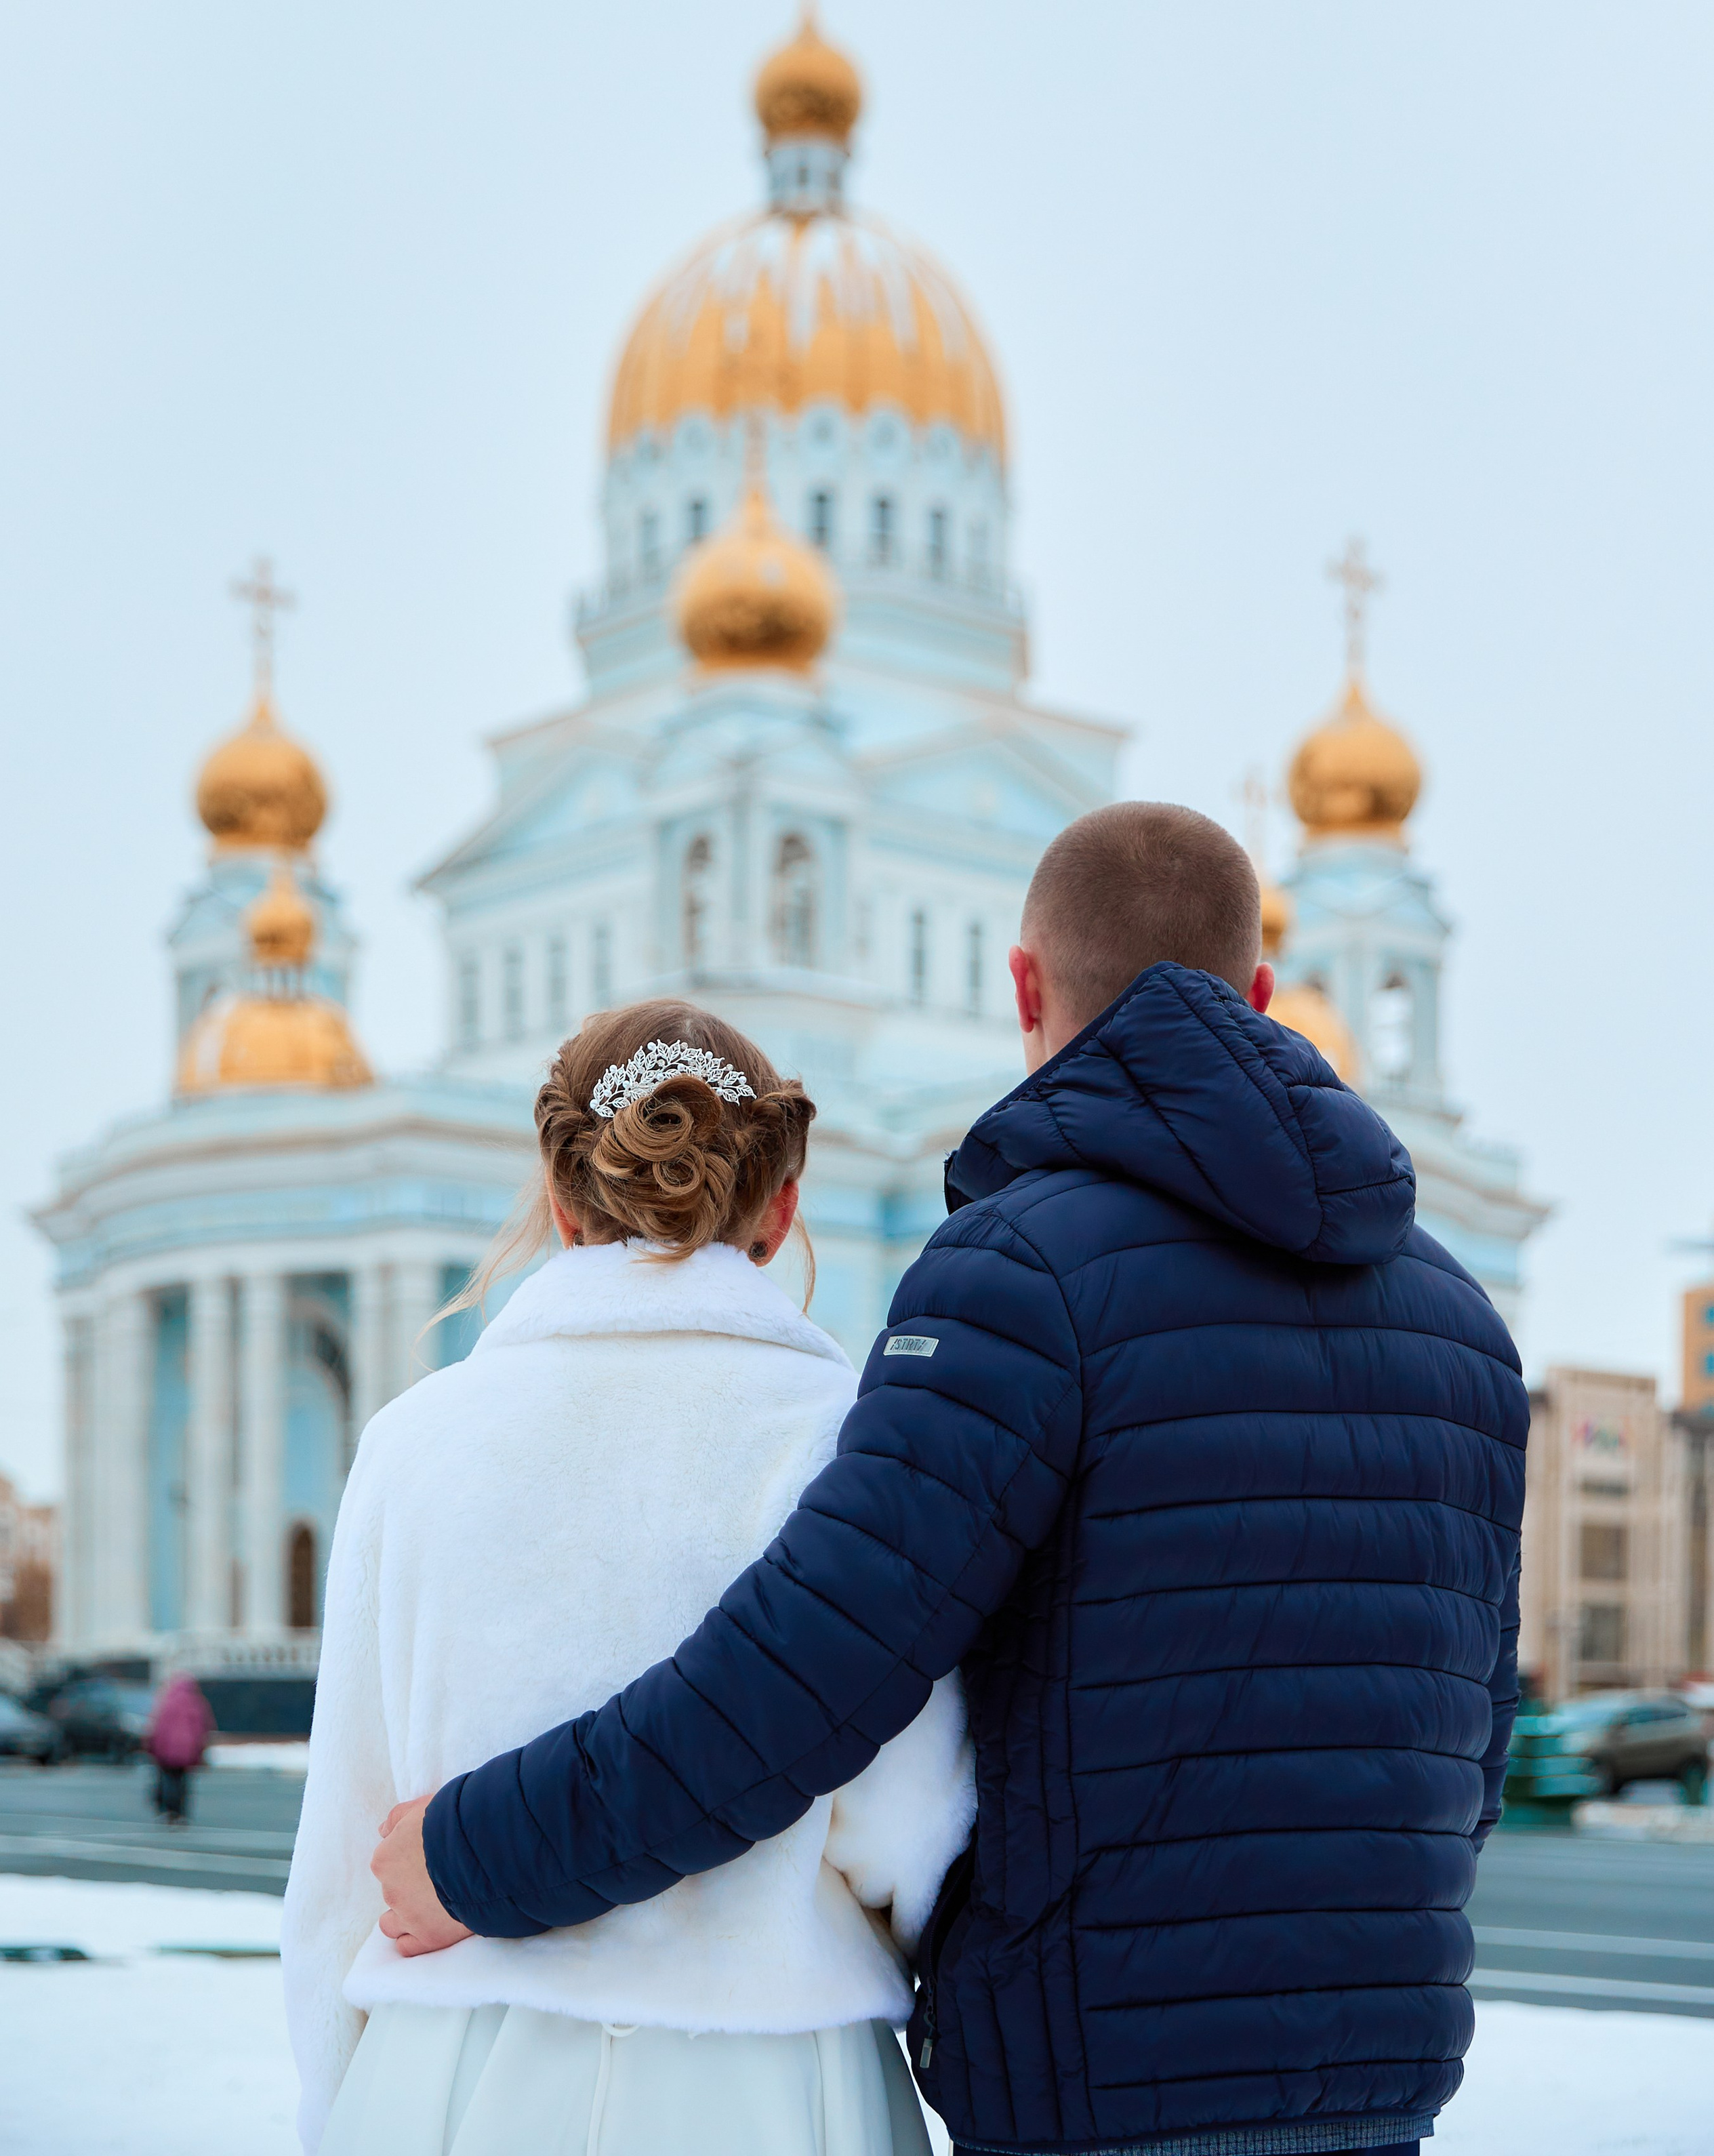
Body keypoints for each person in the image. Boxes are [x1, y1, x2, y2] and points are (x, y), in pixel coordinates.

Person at [376, 801, 1528, 2156]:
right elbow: (1467, 1738)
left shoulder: (1020, 1269)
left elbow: (806, 1673)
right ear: (1260, 995)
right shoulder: (1458, 1323)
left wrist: (475, 1855)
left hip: (1093, 2083)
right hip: (1376, 2082)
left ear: (1022, 987)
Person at [281, 1000, 975, 2156]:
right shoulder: (851, 1444)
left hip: (450, 2072)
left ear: (560, 1204)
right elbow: (905, 1826)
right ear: (784, 1204)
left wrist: (339, 2100)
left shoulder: (415, 1443)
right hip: (779, 2081)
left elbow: (343, 1857)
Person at [145, 1671, 213, 1825]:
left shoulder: (167, 1702)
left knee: (169, 1779)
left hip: (167, 1750)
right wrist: (200, 1748)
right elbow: (203, 1728)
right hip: (188, 1751)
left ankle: (170, 1810)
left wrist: (153, 1747)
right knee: (183, 1781)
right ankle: (181, 1811)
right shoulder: (197, 1703)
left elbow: (159, 1728)